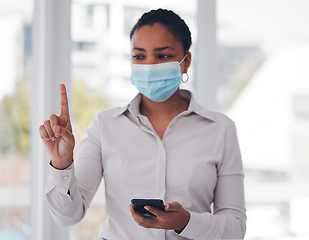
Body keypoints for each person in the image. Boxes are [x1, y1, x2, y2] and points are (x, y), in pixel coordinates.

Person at [39, 9, 246, 240]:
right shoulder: (104, 126)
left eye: (163, 56)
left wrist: (186, 222)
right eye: (139, 56)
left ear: (185, 62)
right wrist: (61, 163)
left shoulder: (220, 130)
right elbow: (67, 216)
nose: (149, 65)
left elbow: (235, 229)